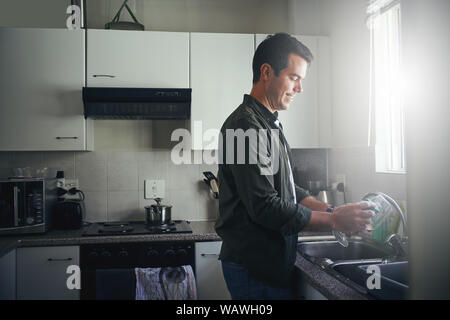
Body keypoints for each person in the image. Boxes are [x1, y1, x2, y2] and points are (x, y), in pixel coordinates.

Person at [214, 33, 374, 300]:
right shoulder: (246, 127)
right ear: (267, 72)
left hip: (266, 263)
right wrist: (333, 220)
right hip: (254, 265)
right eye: (294, 77)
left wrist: (330, 210)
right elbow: (265, 206)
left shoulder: (268, 123)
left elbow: (287, 189)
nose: (299, 88)